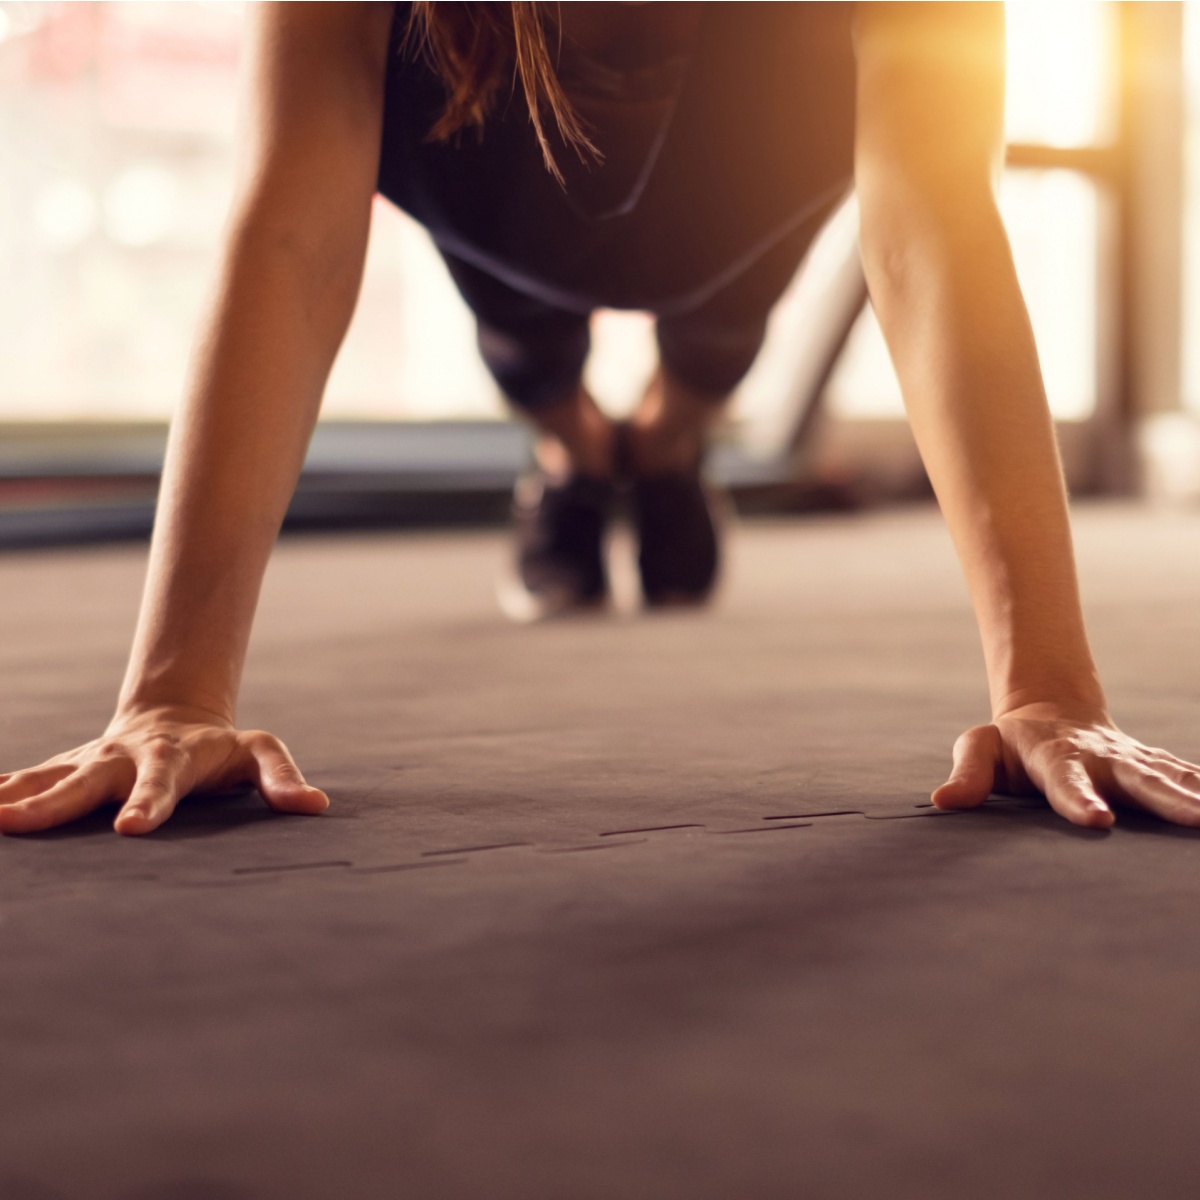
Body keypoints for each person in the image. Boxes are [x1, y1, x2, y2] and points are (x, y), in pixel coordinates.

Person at [1, 1, 1198, 837]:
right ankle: (575, 450)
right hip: (486, 152)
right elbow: (293, 240)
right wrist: (172, 691)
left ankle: (668, 445)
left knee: (711, 342)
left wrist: (1048, 686)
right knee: (530, 341)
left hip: (745, 178)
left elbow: (929, 229)